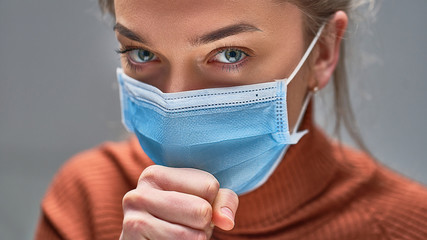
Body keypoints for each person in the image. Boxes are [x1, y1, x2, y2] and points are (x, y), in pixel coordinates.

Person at [35, 0, 427, 239]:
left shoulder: (408, 227)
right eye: (141, 53)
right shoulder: (87, 200)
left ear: (323, 53)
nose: (176, 104)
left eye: (230, 54)